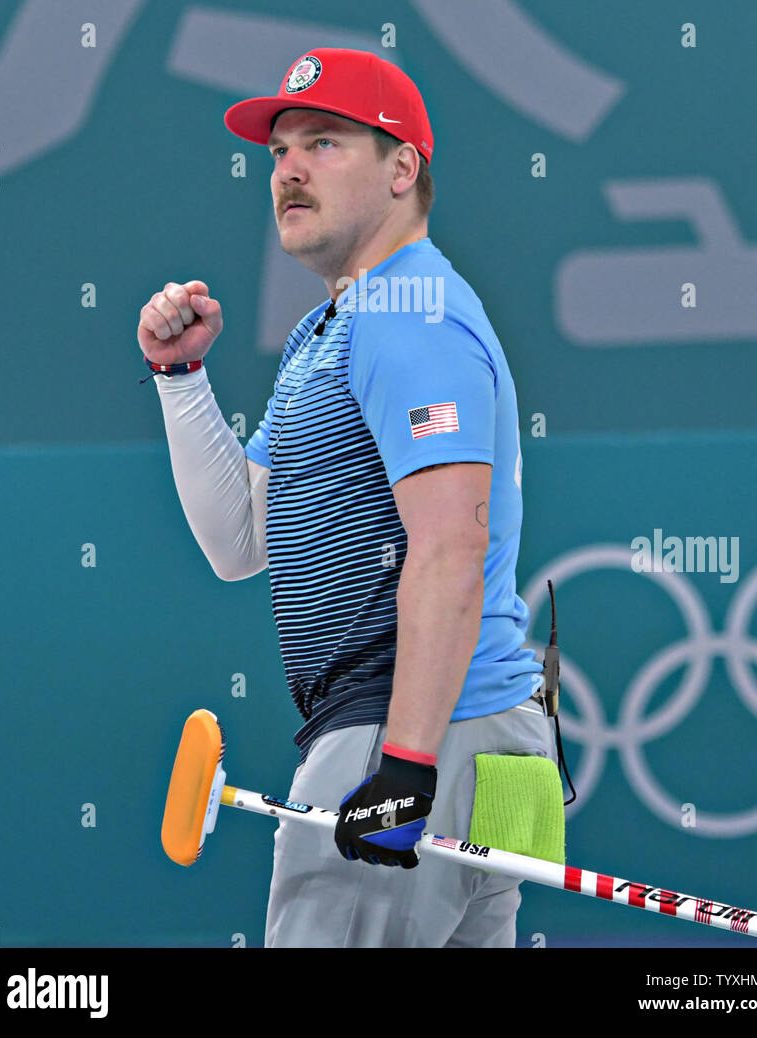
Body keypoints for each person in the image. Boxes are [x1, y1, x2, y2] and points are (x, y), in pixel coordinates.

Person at [138, 47, 558, 948]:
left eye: (323, 143)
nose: (288, 168)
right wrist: (179, 378)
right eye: (280, 150)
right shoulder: (331, 328)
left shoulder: (409, 311)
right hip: (470, 749)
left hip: (413, 732)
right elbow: (239, 541)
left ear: (403, 168)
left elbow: (453, 546)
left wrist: (405, 764)